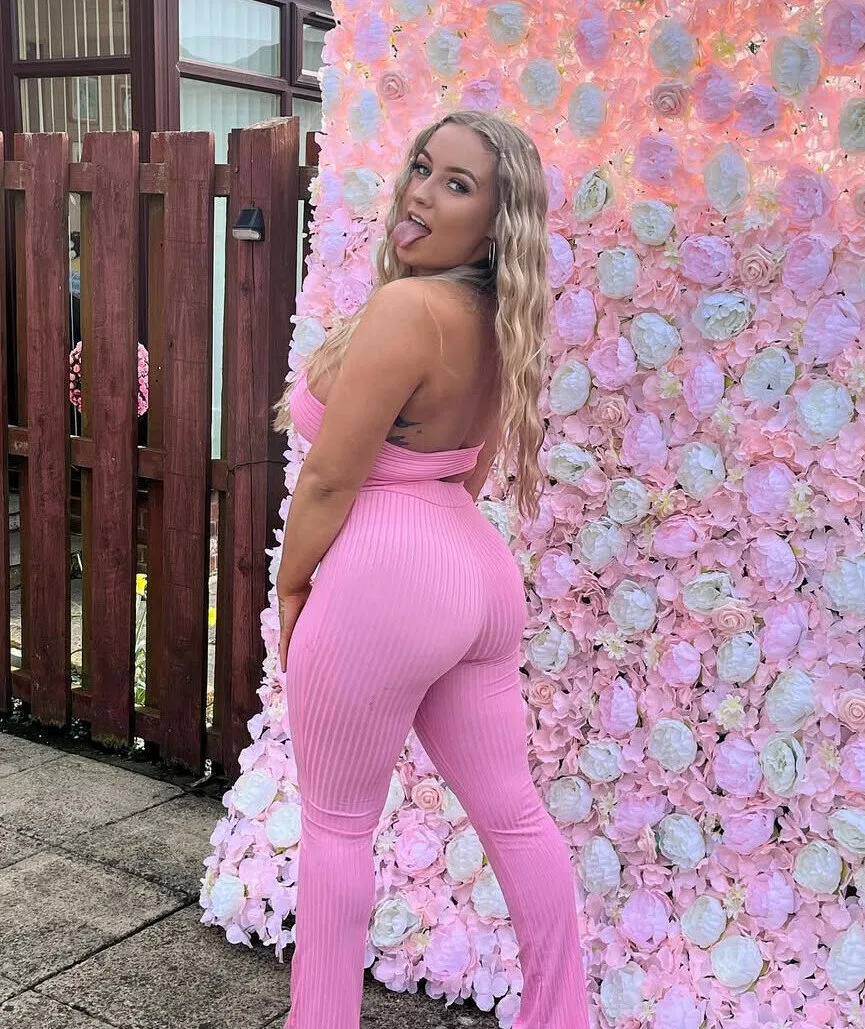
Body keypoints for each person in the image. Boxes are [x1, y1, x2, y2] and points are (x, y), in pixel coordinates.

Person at [270, 111, 591, 1029]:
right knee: (515, 816)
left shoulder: (409, 311)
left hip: (387, 574)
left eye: (456, 184)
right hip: (473, 568)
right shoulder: (503, 319)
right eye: (422, 167)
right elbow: (470, 468)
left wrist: (292, 587)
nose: (419, 192)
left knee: (337, 827)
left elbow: (330, 476)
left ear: (493, 224)